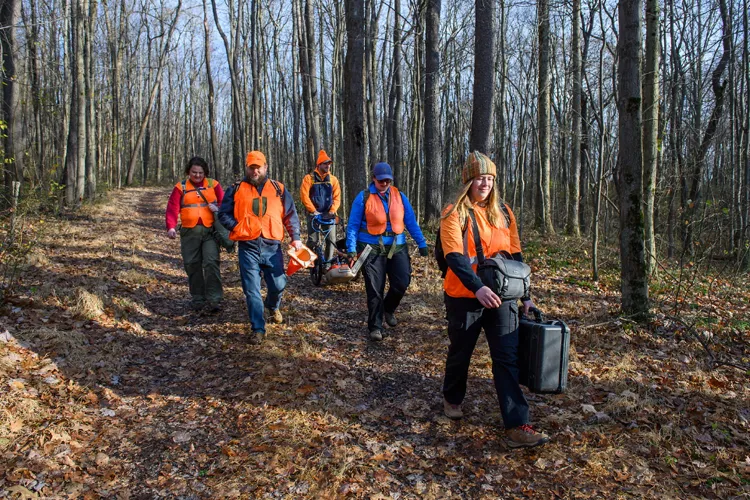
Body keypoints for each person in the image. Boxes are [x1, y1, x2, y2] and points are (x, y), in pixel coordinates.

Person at [439, 151, 549, 448]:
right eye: (479, 178)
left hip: (503, 297)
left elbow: (515, 257)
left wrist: (525, 296)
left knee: (506, 358)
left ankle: (517, 425)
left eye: (489, 178)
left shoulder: (504, 212)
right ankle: (452, 397)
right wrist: (477, 288)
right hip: (465, 295)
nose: (484, 183)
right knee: (461, 352)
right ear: (468, 181)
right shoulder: (454, 212)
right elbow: (454, 257)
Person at [218, 151, 302, 345]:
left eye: (259, 167)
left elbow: (290, 214)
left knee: (279, 284)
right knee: (251, 290)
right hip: (248, 246)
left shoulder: (278, 188)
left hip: (273, 246)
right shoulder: (235, 188)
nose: (255, 171)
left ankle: (272, 306)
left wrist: (295, 237)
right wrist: (237, 227)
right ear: (247, 168)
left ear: (265, 167)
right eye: (251, 167)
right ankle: (258, 328)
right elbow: (223, 214)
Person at [346, 162, 428, 341]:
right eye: (381, 180)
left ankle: (388, 308)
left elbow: (411, 221)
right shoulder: (363, 197)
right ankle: (375, 326)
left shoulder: (399, 196)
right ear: (373, 178)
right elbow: (352, 226)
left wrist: (421, 242)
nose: (384, 184)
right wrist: (351, 249)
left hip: (397, 246)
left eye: (387, 181)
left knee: (402, 282)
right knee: (375, 289)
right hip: (371, 248)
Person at [165, 156, 224, 314]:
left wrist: (217, 208)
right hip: (189, 232)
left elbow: (226, 204)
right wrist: (171, 227)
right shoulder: (180, 187)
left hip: (210, 231)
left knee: (211, 262)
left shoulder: (214, 185)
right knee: (192, 264)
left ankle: (215, 299)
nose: (197, 175)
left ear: (205, 172)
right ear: (188, 172)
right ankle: (198, 298)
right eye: (194, 172)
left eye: (200, 172)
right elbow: (172, 208)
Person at [299, 149, 341, 265]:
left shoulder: (333, 180)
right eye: (325, 163)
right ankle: (308, 261)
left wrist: (332, 211)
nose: (328, 166)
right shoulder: (309, 178)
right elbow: (304, 196)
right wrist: (313, 210)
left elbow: (337, 198)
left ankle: (327, 265)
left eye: (329, 163)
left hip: (329, 214)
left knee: (331, 240)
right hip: (314, 214)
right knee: (313, 241)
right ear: (319, 165)